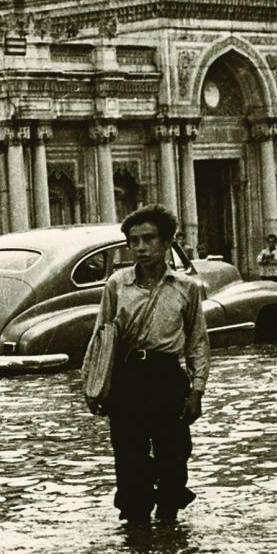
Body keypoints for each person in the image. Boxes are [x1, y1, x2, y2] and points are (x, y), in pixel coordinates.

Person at [85, 204, 210, 526]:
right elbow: (101, 336)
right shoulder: (117, 284)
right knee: (129, 458)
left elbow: (197, 342)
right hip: (128, 379)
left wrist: (197, 391)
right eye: (134, 240)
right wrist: (93, 386)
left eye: (149, 239)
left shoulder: (187, 288)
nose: (140, 247)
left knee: (174, 456)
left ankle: (169, 524)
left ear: (167, 242)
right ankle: (136, 528)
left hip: (168, 377)